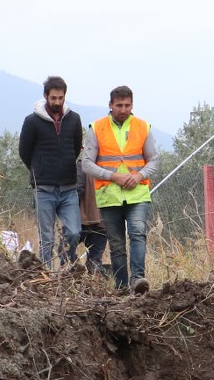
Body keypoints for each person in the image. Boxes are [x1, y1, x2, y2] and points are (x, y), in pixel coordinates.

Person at [82, 85, 160, 293]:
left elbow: (153, 161)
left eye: (127, 105)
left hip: (138, 192)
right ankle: (121, 287)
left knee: (137, 232)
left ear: (132, 105)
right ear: (110, 105)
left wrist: (139, 176)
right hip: (109, 195)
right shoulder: (96, 128)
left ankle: (138, 279)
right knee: (116, 244)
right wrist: (112, 176)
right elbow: (86, 163)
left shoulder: (143, 127)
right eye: (119, 105)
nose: (123, 109)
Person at [18, 76, 84, 269]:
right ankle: (47, 275)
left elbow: (75, 148)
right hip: (43, 189)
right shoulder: (32, 121)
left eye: (60, 98)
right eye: (53, 98)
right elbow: (24, 151)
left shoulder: (74, 119)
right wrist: (39, 169)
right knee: (46, 238)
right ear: (46, 96)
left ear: (65, 97)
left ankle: (64, 266)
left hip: (69, 188)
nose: (57, 102)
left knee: (73, 232)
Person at [77, 164, 110, 275]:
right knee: (95, 262)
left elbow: (77, 189)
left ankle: (69, 281)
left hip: (80, 220)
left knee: (67, 256)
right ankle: (95, 287)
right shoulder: (109, 165)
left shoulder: (82, 165)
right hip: (103, 221)